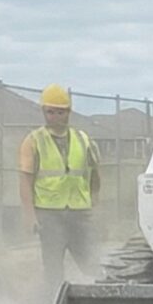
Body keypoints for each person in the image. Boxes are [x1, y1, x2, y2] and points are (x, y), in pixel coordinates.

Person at [21, 84, 102, 287]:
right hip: (49, 214)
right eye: (50, 111)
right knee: (53, 266)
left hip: (79, 213)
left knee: (90, 263)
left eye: (60, 111)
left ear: (68, 112)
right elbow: (25, 181)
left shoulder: (83, 140)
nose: (55, 116)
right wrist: (30, 215)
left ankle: (98, 299)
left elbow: (94, 174)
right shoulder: (33, 142)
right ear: (43, 112)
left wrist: (95, 200)